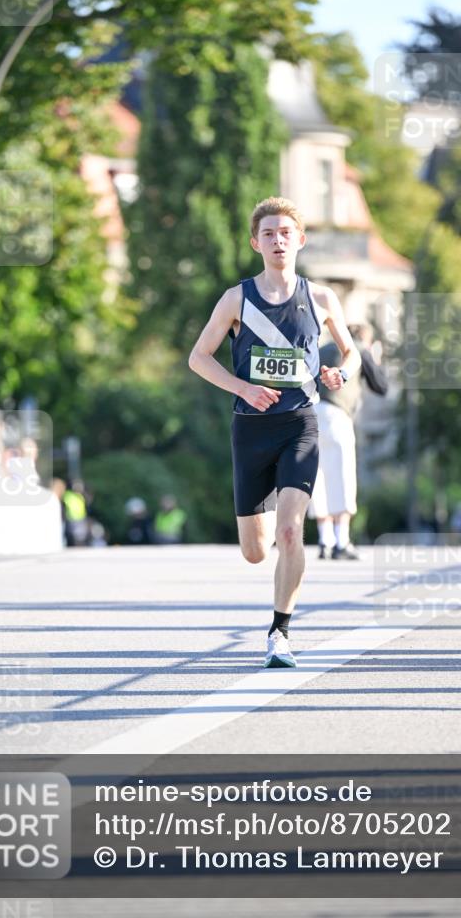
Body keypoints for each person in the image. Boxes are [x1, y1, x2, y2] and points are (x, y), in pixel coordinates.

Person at [188, 196, 361, 668]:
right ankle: (268, 568)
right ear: (255, 242)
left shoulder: (321, 298)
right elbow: (198, 358)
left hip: (300, 425)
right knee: (254, 551)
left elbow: (352, 354)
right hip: (250, 431)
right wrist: (243, 387)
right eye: (269, 233)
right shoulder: (237, 298)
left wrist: (340, 375)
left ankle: (279, 633)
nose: (278, 240)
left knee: (290, 532)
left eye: (286, 232)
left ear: (300, 240)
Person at [309, 324, 388, 559]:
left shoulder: (322, 349)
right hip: (337, 415)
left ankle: (325, 540)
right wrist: (375, 357)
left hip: (310, 413)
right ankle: (342, 541)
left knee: (318, 475)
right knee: (342, 475)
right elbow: (381, 386)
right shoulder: (359, 349)